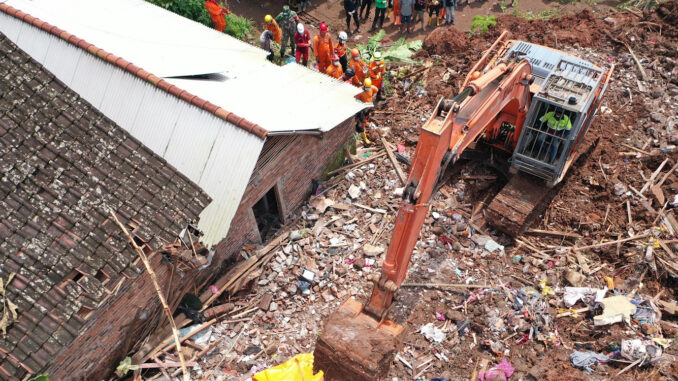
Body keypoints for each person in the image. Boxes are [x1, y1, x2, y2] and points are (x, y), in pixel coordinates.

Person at [354, 78, 380, 144]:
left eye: (368, 87)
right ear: (364, 85)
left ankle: (365, 122)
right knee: (362, 118)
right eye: (366, 87)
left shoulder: (372, 88)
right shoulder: (359, 91)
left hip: (369, 105)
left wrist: (372, 97)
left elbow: (376, 91)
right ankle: (363, 127)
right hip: (362, 107)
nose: (367, 89)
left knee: (367, 115)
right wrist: (361, 102)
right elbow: (356, 99)